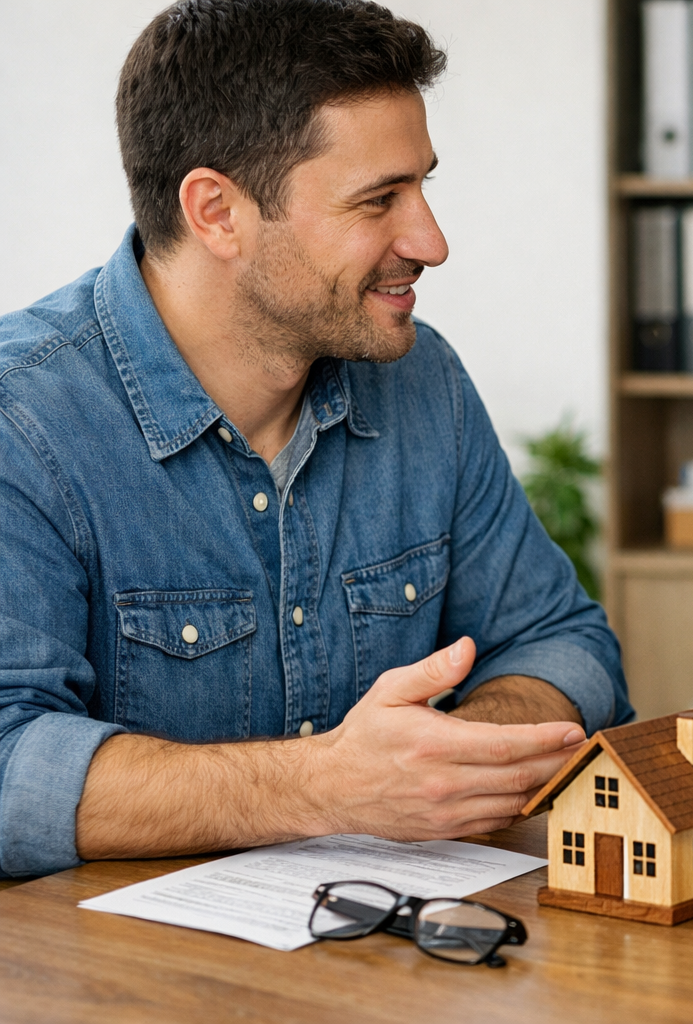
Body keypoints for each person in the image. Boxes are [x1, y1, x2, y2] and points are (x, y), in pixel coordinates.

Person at [0, 0, 631, 879]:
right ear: (216, 212)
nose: (431, 242)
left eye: (423, 188)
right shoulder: (21, 422)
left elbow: (566, 643)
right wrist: (324, 786)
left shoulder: (422, 381)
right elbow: (5, 763)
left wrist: (451, 753)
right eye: (379, 200)